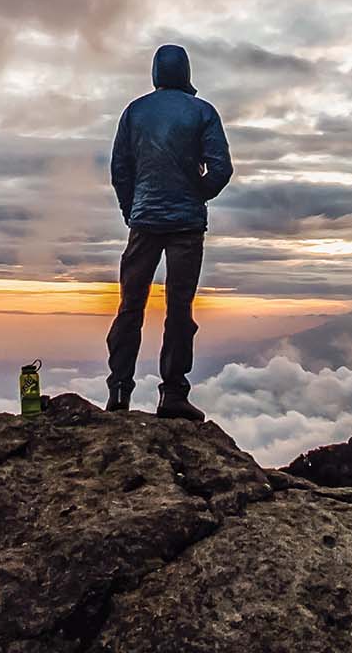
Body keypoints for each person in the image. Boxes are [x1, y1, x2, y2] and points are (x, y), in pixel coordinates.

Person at [104, 43, 233, 420]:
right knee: (179, 309)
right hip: (186, 226)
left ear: (156, 72)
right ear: (186, 72)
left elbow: (120, 170)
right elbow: (221, 169)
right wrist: (196, 195)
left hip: (144, 222)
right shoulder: (203, 112)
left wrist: (132, 209)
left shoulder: (134, 112)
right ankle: (173, 394)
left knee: (130, 306)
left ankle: (119, 392)